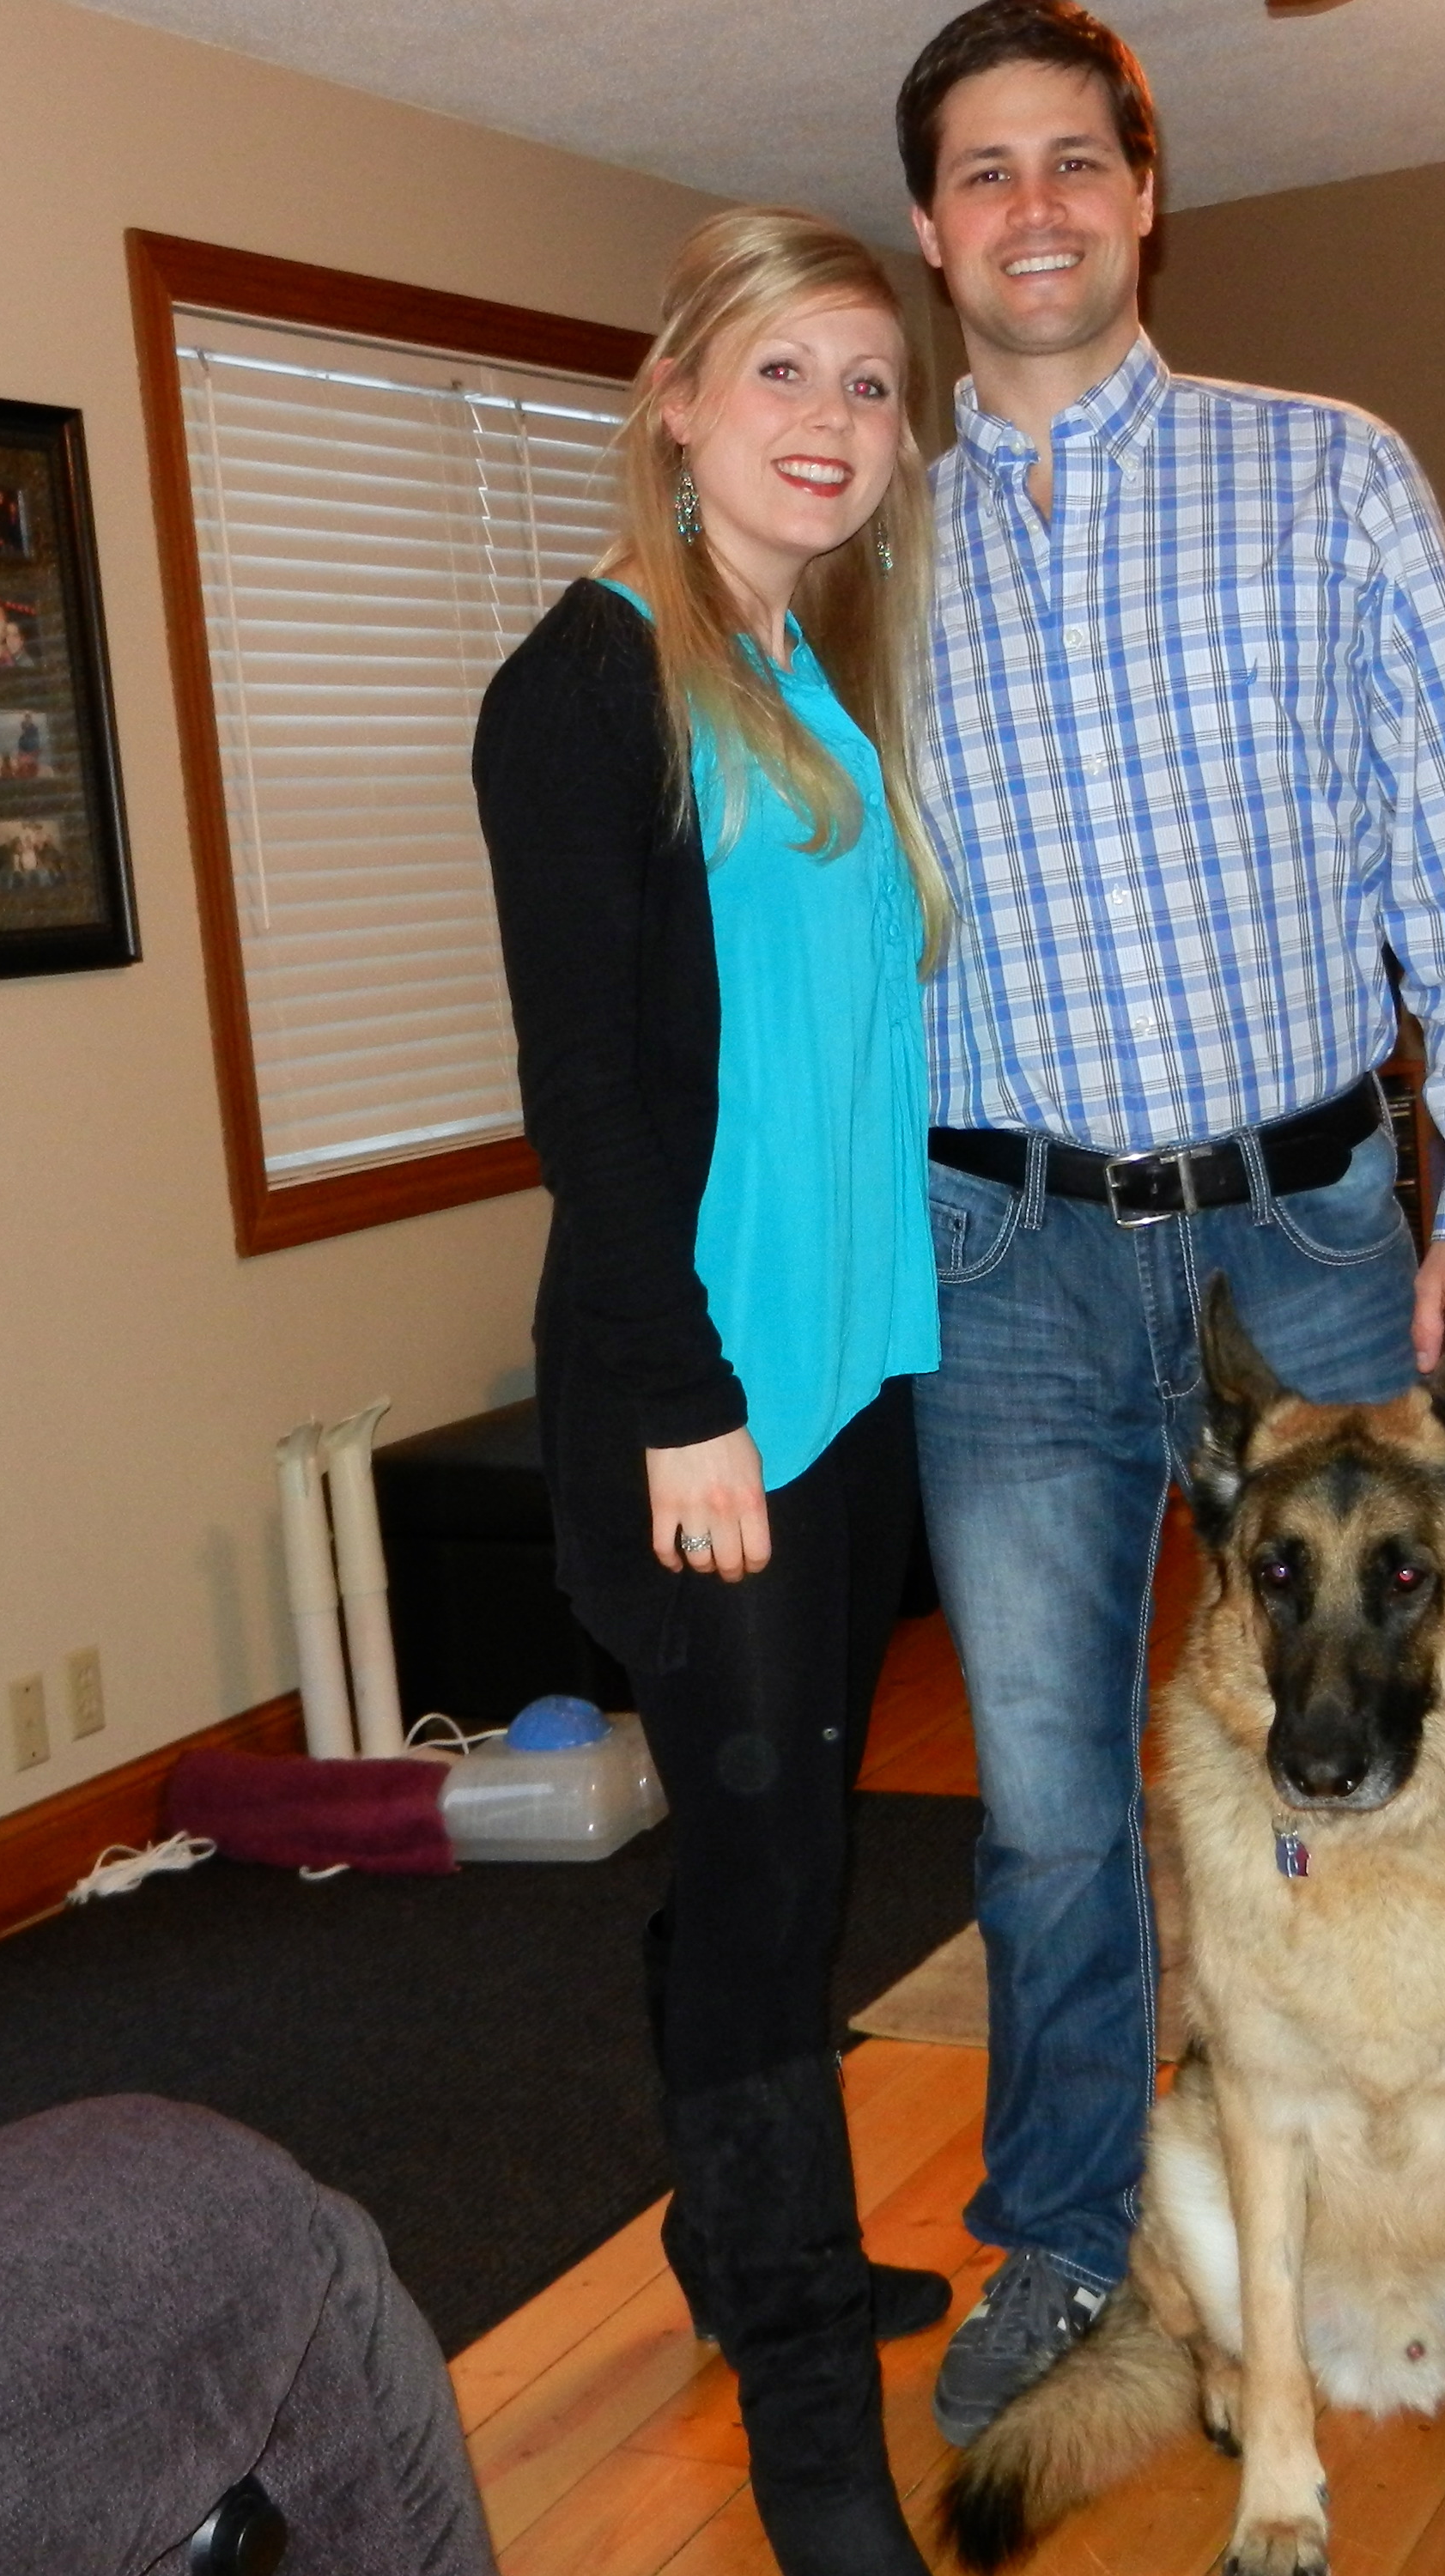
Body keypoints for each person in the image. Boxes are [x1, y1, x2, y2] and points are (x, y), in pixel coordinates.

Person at [891, 1, 1445, 2445]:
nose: (1037, 208)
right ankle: (1074, 2241)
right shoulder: (867, 543)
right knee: (1050, 1813)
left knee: (1413, 1748)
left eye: (1075, 159)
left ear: (1147, 191)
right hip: (1001, 1257)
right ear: (930, 228)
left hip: (1306, 1238)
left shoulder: (1331, 478)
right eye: (986, 171)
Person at [472, 208, 956, 2576]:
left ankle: (729, 2233)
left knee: (786, 1847)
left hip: (847, 1375)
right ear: (676, 400)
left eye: (869, 383)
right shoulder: (585, 685)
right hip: (705, 1398)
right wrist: (683, 1399)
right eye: (782, 371)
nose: (830, 423)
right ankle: (805, 2410)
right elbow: (588, 1093)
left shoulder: (811, 673)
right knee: (774, 1896)